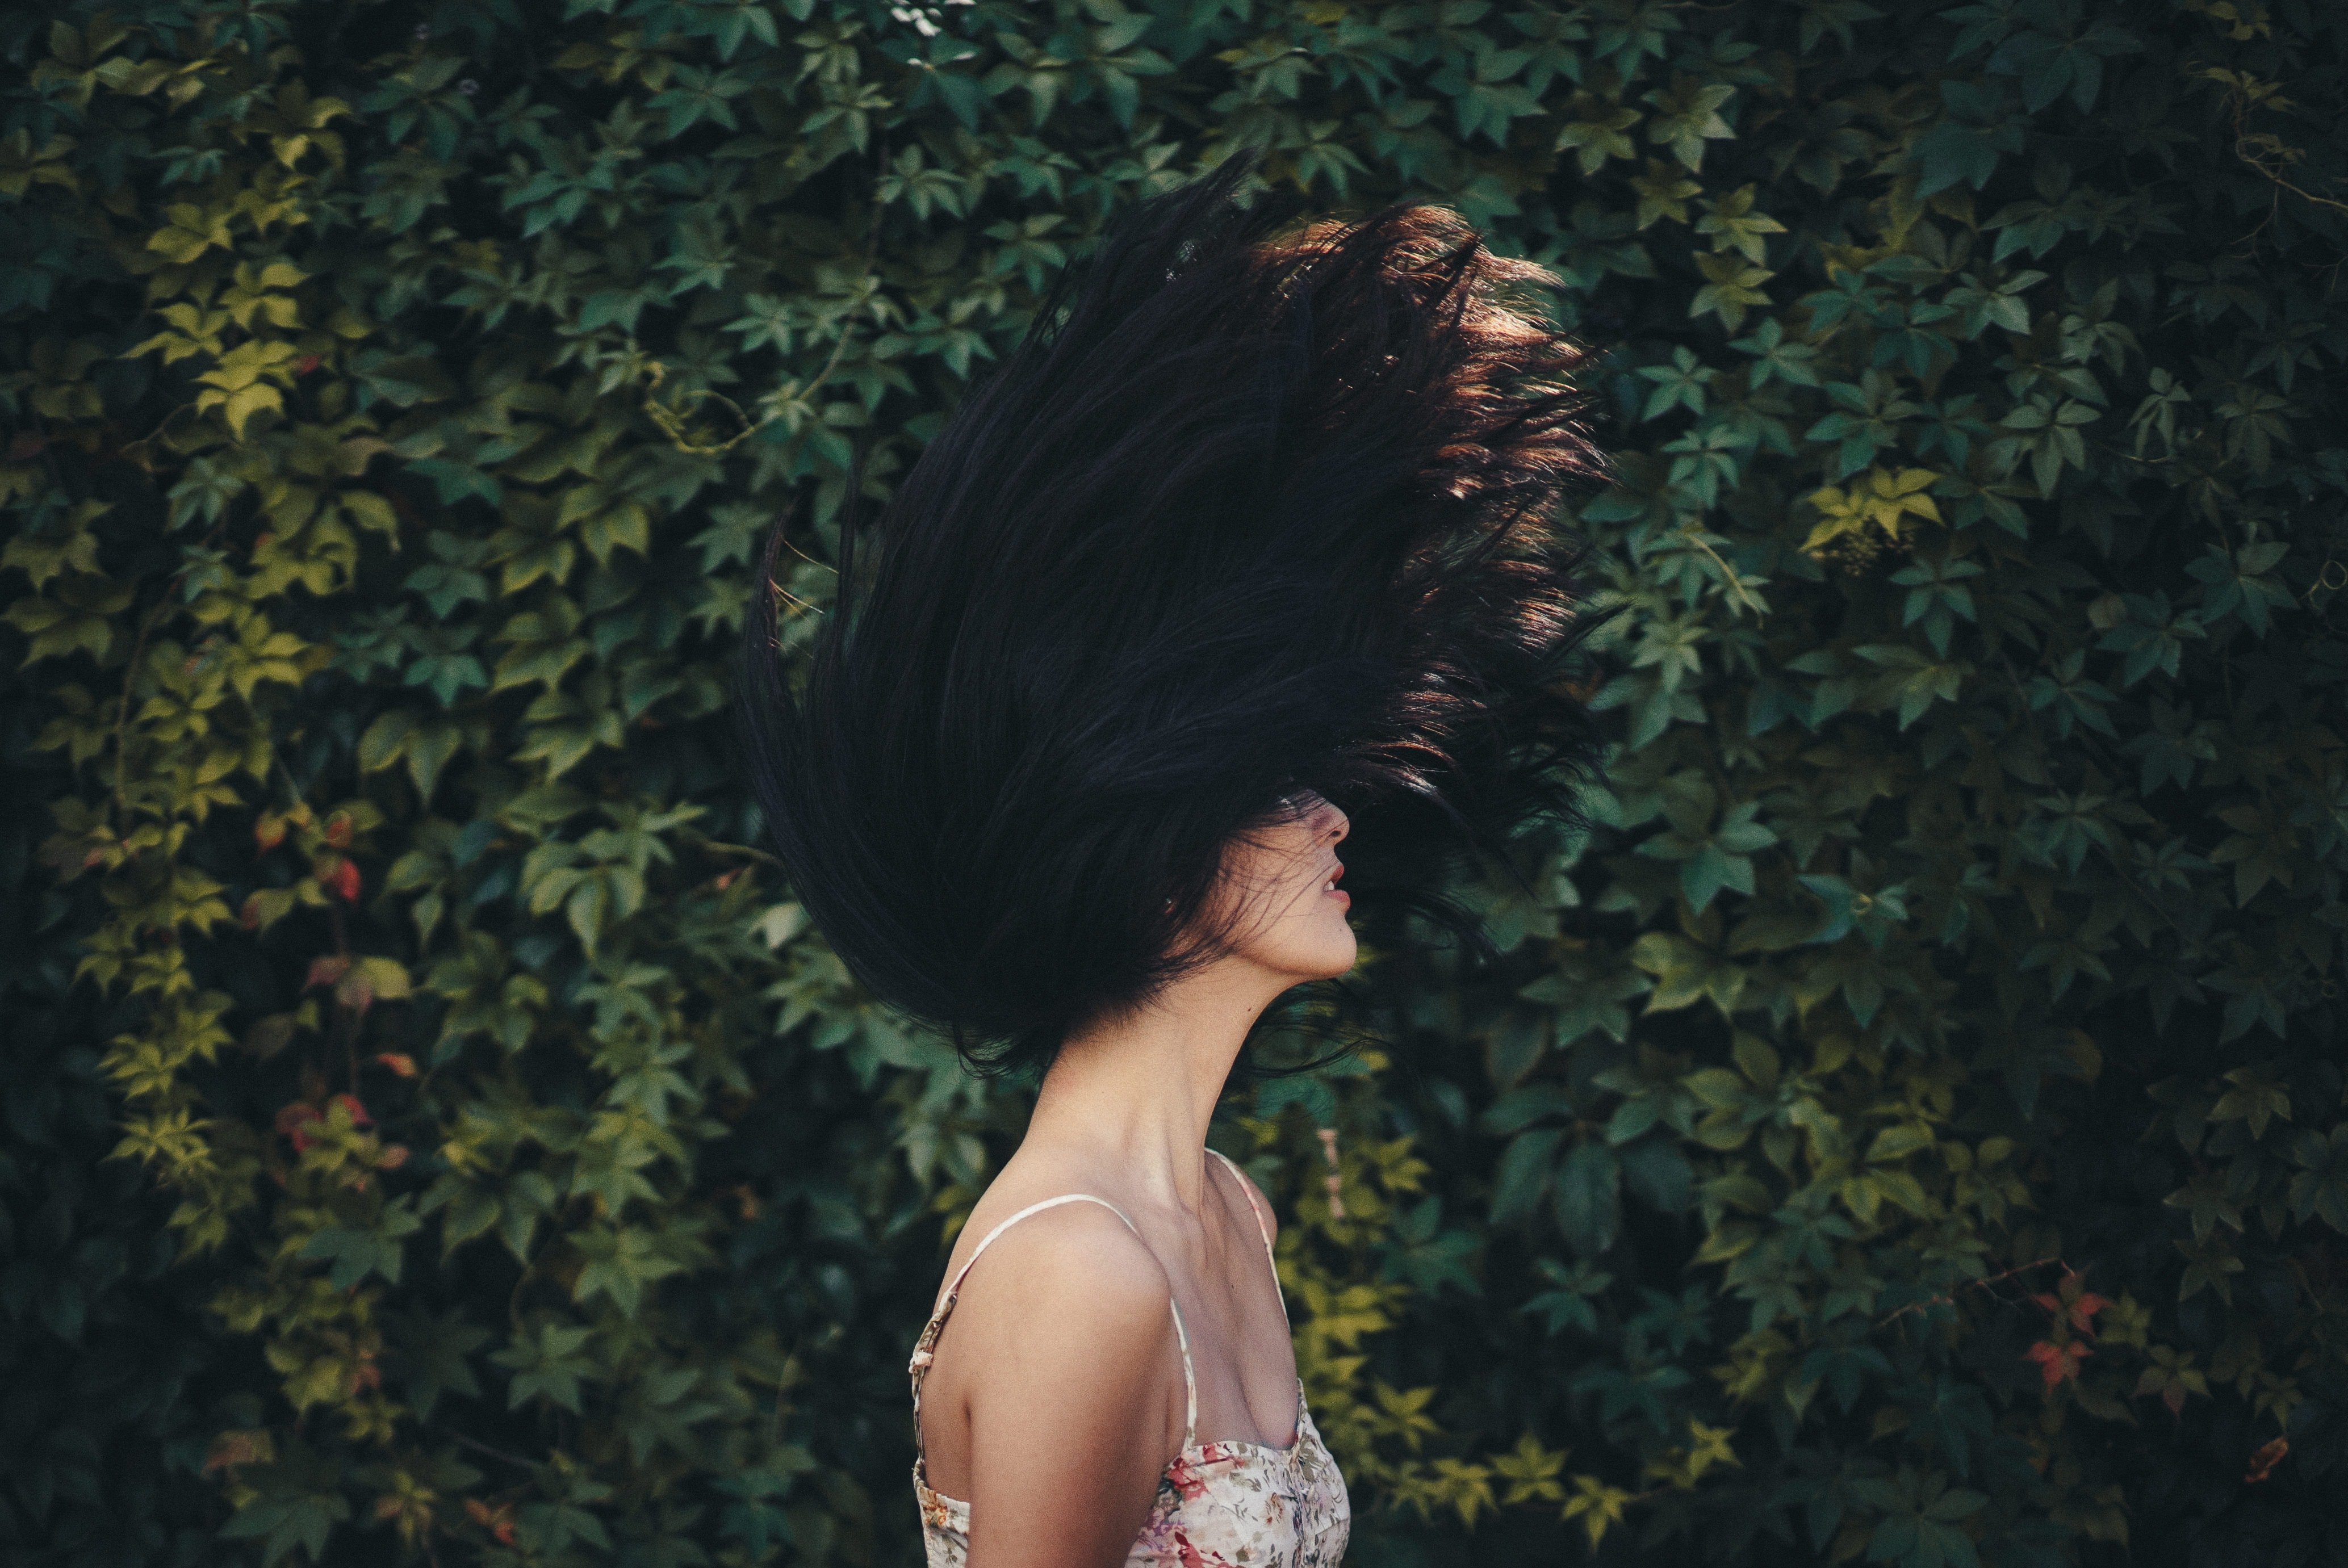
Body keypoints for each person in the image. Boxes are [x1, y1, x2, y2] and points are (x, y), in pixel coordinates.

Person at [738, 153, 1615, 1568]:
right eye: (1275, 790)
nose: (1336, 815)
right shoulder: (1079, 1269)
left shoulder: (1220, 1208)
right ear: (1150, 859)